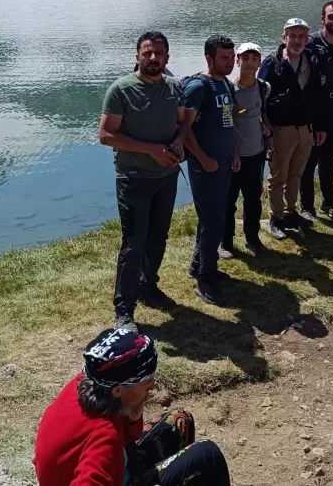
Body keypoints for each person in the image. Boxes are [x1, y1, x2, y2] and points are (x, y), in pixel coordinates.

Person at [34, 328, 230, 486]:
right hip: (111, 473)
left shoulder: (87, 384)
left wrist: (134, 419)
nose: (152, 386)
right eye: (146, 382)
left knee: (180, 421)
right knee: (207, 455)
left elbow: (130, 439)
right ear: (119, 390)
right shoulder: (104, 439)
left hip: (120, 467)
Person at [99, 31, 187, 333]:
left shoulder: (174, 87)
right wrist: (151, 149)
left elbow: (183, 122)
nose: (153, 58)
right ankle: (124, 310)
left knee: (158, 237)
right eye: (147, 53)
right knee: (133, 245)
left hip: (167, 177)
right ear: (137, 55)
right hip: (134, 178)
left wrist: (178, 141)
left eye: (159, 53)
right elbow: (106, 135)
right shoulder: (121, 90)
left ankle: (149, 286)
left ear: (167, 57)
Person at [182, 35, 237, 306]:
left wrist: (234, 153)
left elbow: (229, 121)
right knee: (213, 220)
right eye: (224, 58)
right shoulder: (198, 87)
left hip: (224, 162)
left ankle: (199, 265)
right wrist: (203, 159)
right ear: (209, 58)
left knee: (213, 218)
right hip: (206, 166)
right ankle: (206, 279)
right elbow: (185, 130)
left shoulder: (226, 83)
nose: (230, 62)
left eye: (232, 57)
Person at [258, 18, 326, 238]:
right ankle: (275, 218)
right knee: (278, 176)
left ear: (307, 39)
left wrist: (318, 125)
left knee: (296, 174)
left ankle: (290, 212)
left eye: (301, 36)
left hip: (305, 128)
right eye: (292, 36)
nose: (297, 40)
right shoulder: (271, 63)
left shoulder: (311, 60)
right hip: (281, 129)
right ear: (283, 37)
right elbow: (259, 98)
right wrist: (265, 129)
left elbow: (317, 97)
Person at [302, 1, 333, 220]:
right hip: (314, 114)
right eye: (331, 16)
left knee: (328, 160)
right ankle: (306, 206)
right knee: (309, 162)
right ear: (323, 18)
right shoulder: (310, 43)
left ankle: (328, 203)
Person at [226, 43, 270, 256]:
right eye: (245, 58)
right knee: (229, 201)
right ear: (238, 61)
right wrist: (233, 153)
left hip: (256, 154)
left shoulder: (264, 87)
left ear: (260, 62)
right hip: (234, 157)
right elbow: (226, 124)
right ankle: (226, 242)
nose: (250, 63)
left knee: (253, 200)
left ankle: (252, 238)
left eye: (254, 58)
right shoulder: (228, 91)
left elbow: (262, 114)